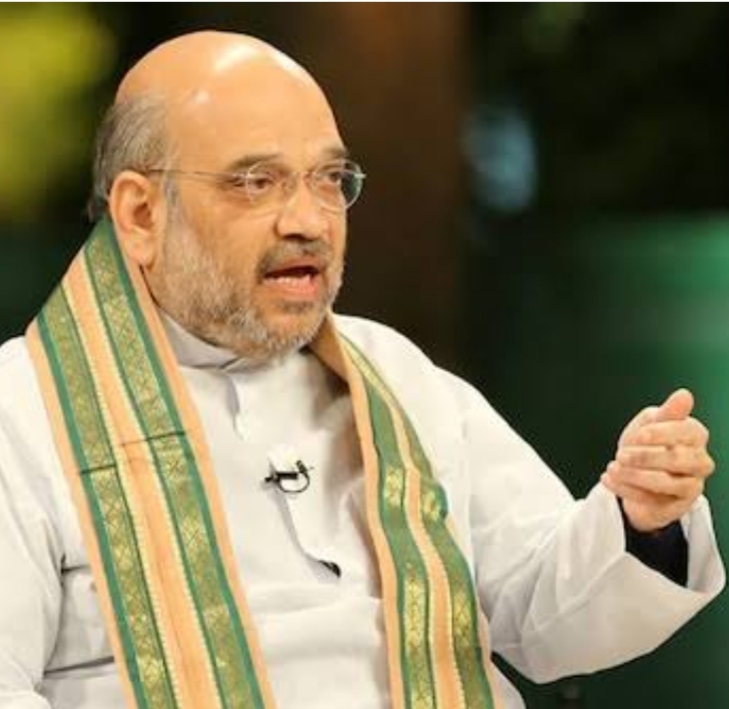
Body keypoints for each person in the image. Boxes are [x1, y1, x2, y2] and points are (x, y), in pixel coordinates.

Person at [0, 31, 724, 709]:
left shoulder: (396, 377)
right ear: (140, 213)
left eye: (329, 179)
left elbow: (548, 621)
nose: (309, 221)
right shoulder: (23, 412)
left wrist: (639, 520)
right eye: (256, 182)